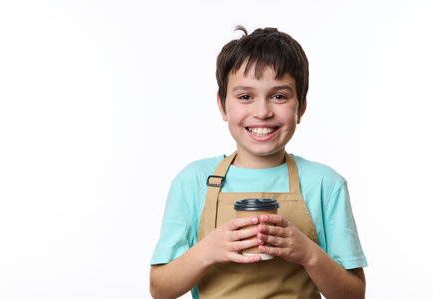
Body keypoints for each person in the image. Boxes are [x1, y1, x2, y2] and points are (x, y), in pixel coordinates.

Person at [149, 26, 367, 299]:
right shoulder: (193, 181)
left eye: (279, 96)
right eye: (245, 97)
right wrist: (207, 250)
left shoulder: (325, 184)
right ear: (222, 105)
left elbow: (354, 294)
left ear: (301, 108)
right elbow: (159, 289)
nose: (262, 112)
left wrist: (309, 254)